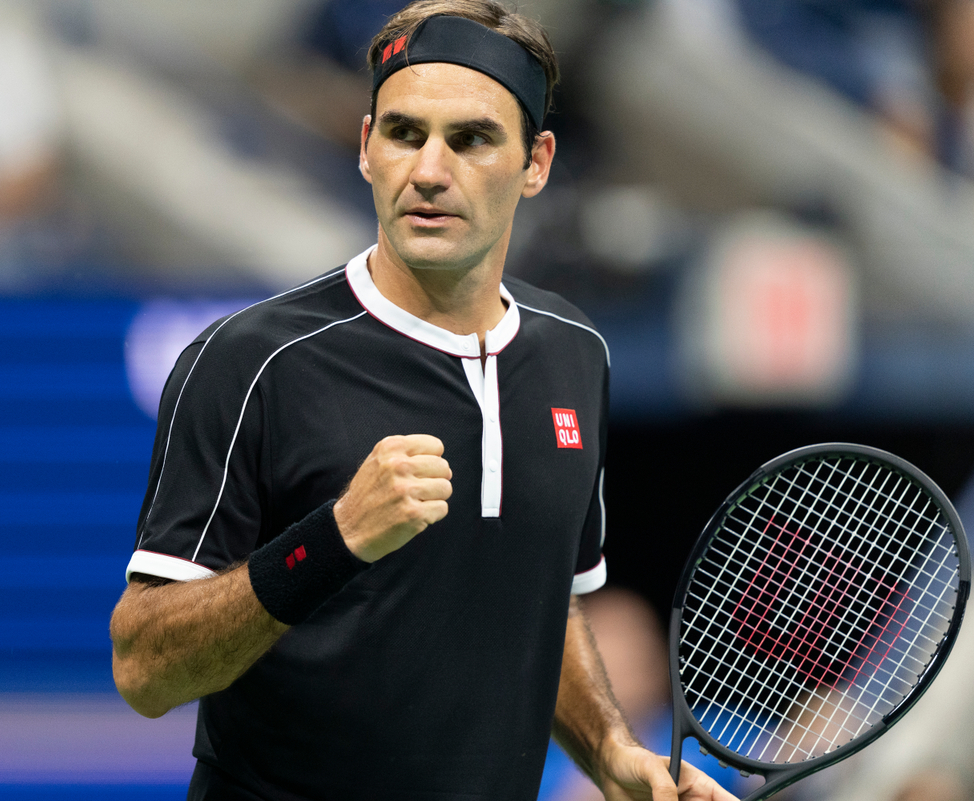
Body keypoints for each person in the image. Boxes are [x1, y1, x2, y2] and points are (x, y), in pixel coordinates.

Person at [109, 2, 739, 800]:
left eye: (471, 139)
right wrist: (331, 541)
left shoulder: (575, 356)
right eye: (405, 134)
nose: (429, 169)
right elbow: (143, 669)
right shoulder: (250, 361)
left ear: (536, 162)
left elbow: (546, 605)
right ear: (368, 147)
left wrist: (611, 750)